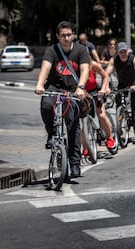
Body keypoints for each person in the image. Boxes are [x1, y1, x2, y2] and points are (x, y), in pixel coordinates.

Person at [35, 21, 90, 178]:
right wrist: (40, 84)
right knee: (46, 105)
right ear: (58, 36)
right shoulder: (52, 50)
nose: (66, 38)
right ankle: (52, 134)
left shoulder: (81, 50)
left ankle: (74, 164)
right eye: (63, 35)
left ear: (73, 34)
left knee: (73, 126)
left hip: (73, 90)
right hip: (54, 88)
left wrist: (81, 86)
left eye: (69, 34)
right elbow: (45, 68)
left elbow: (85, 69)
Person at [106, 42, 135, 134]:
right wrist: (106, 87)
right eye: (121, 52)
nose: (123, 54)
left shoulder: (133, 59)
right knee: (118, 103)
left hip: (134, 82)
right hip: (122, 83)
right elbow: (107, 74)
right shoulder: (114, 60)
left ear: (127, 51)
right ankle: (120, 125)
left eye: (124, 51)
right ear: (117, 53)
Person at [82, 59, 118, 157]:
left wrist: (104, 89)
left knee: (101, 115)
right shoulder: (76, 66)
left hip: (95, 92)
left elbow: (105, 75)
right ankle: (85, 148)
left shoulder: (93, 64)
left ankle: (110, 138)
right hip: (83, 94)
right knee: (83, 122)